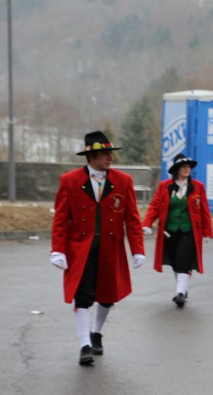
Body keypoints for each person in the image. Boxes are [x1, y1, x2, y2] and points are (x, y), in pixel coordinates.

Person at [50, 131, 144, 366]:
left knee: (107, 295)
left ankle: (96, 331)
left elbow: (131, 218)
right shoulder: (70, 181)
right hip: (81, 249)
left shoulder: (123, 181)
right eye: (104, 154)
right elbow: (61, 219)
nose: (109, 158)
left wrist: (138, 249)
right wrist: (58, 249)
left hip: (111, 248)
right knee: (82, 296)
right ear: (91, 156)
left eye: (110, 153)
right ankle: (84, 345)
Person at [141, 153, 213, 308]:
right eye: (183, 166)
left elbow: (204, 210)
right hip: (169, 231)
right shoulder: (165, 186)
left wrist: (207, 231)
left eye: (188, 166)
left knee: (183, 259)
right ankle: (183, 288)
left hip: (189, 231)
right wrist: (147, 223)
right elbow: (155, 205)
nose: (187, 169)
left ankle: (180, 294)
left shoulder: (198, 187)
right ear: (177, 169)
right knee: (175, 261)